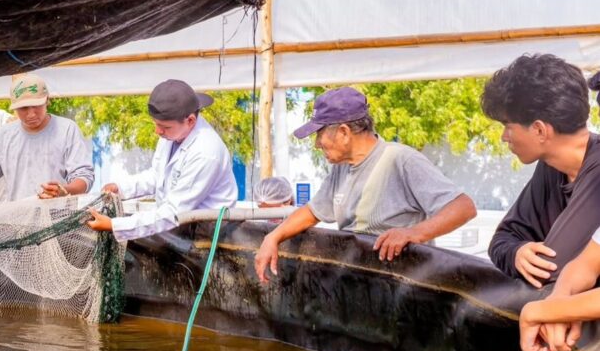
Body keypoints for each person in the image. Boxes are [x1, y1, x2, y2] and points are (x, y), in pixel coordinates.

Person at [255, 87, 476, 283]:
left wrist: (413, 233)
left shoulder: (401, 160)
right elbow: (312, 212)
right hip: (361, 285)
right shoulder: (340, 168)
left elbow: (463, 207)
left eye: (319, 134)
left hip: (403, 288)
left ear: (344, 132)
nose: (316, 144)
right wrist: (273, 237)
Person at [484, 55, 599, 288]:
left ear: (539, 130)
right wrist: (517, 252)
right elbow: (502, 240)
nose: (504, 137)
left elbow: (551, 270)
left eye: (507, 126)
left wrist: (520, 254)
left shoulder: (596, 173)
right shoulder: (551, 166)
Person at [85, 79, 237, 240]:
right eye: (156, 124)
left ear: (190, 120)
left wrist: (115, 225)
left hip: (207, 235)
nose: (158, 131)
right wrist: (120, 188)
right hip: (178, 227)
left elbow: (174, 212)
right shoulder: (172, 135)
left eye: (165, 127)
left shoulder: (206, 152)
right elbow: (158, 176)